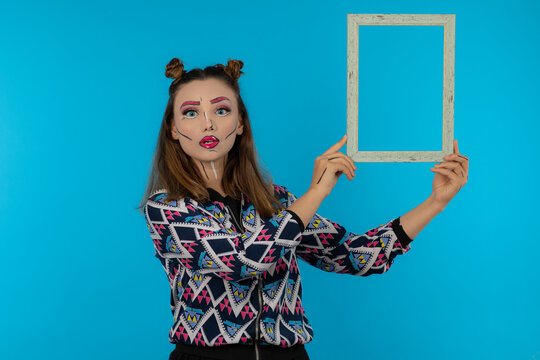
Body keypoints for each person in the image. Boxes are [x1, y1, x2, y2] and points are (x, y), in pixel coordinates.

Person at [139, 58, 469, 360]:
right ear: (173, 128)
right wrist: (317, 192)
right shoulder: (167, 207)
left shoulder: (276, 202)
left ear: (240, 124)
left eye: (222, 110)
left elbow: (352, 256)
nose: (208, 124)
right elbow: (242, 262)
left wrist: (435, 203)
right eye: (191, 113)